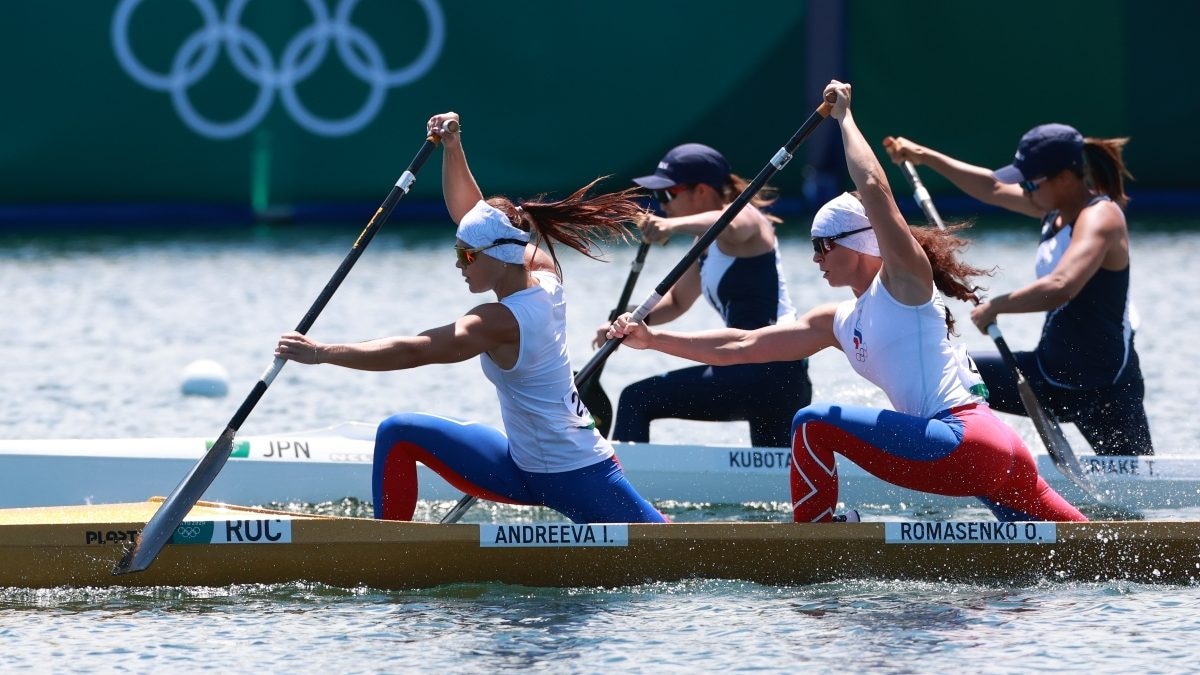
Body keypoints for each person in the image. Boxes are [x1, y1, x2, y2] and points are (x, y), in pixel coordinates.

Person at [606, 81, 1087, 523]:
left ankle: (816, 537)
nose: (816, 258)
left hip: (961, 440)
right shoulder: (837, 321)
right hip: (996, 451)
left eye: (823, 245)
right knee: (1084, 554)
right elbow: (743, 344)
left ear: (860, 243)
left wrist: (845, 119)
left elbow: (876, 192)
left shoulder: (903, 283)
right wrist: (653, 340)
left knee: (813, 422)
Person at [275, 112, 667, 524]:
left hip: (577, 474)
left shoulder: (496, 322)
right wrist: (453, 146)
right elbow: (474, 216)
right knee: (397, 432)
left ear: (497, 257)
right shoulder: (543, 272)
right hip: (521, 465)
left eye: (465, 255)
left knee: (666, 549)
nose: (458, 264)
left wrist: (322, 352)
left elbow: (416, 350)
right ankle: (391, 551)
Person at [885, 124, 1152, 456]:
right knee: (948, 371)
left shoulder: (1102, 217)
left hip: (1104, 387)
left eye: (1029, 182)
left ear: (1065, 179)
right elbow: (992, 187)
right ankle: (941, 457)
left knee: (1137, 503)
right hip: (1048, 372)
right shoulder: (1053, 209)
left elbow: (1061, 286)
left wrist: (996, 306)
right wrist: (923, 156)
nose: (1023, 190)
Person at [594, 143, 812, 447]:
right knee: (775, 483)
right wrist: (625, 321)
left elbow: (733, 223)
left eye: (668, 194)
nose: (662, 204)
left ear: (702, 191)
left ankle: (619, 491)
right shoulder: (705, 243)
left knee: (637, 398)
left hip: (767, 370)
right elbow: (678, 301)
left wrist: (671, 225)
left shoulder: (746, 218)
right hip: (766, 375)